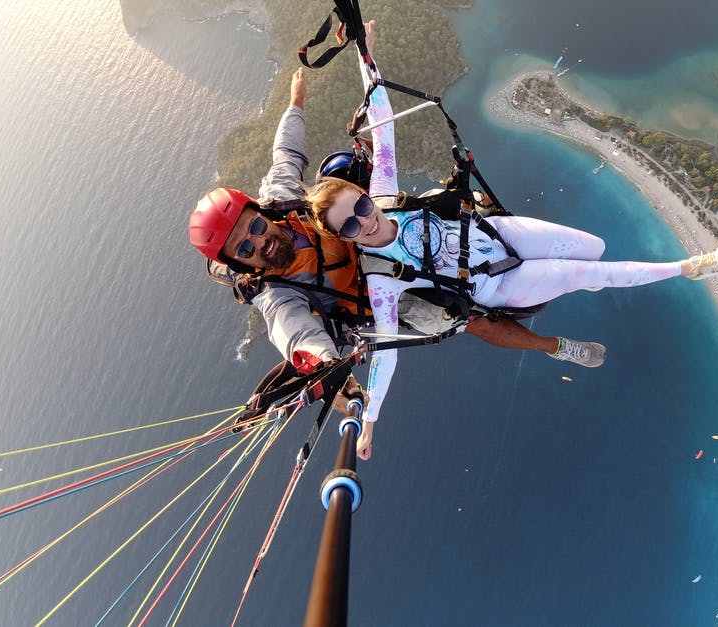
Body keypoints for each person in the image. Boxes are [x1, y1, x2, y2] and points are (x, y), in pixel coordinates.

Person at [306, 22, 718, 458]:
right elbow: (387, 355)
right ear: (344, 238)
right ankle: (690, 268)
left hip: (494, 233)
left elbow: (384, 130)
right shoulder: (381, 281)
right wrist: (370, 424)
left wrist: (366, 56)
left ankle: (578, 280)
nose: (366, 221)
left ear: (364, 194)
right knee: (587, 270)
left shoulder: (383, 197)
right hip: (493, 284)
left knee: (595, 248)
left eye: (360, 207)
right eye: (351, 227)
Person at [188, 36, 603, 411]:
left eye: (255, 228)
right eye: (245, 249)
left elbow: (287, 151)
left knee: (437, 207)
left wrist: (296, 100)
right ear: (243, 266)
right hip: (376, 289)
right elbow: (295, 335)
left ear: (260, 213)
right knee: (464, 317)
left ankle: (503, 235)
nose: (260, 243)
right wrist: (328, 368)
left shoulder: (278, 199)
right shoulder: (276, 294)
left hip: (371, 230)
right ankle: (555, 347)